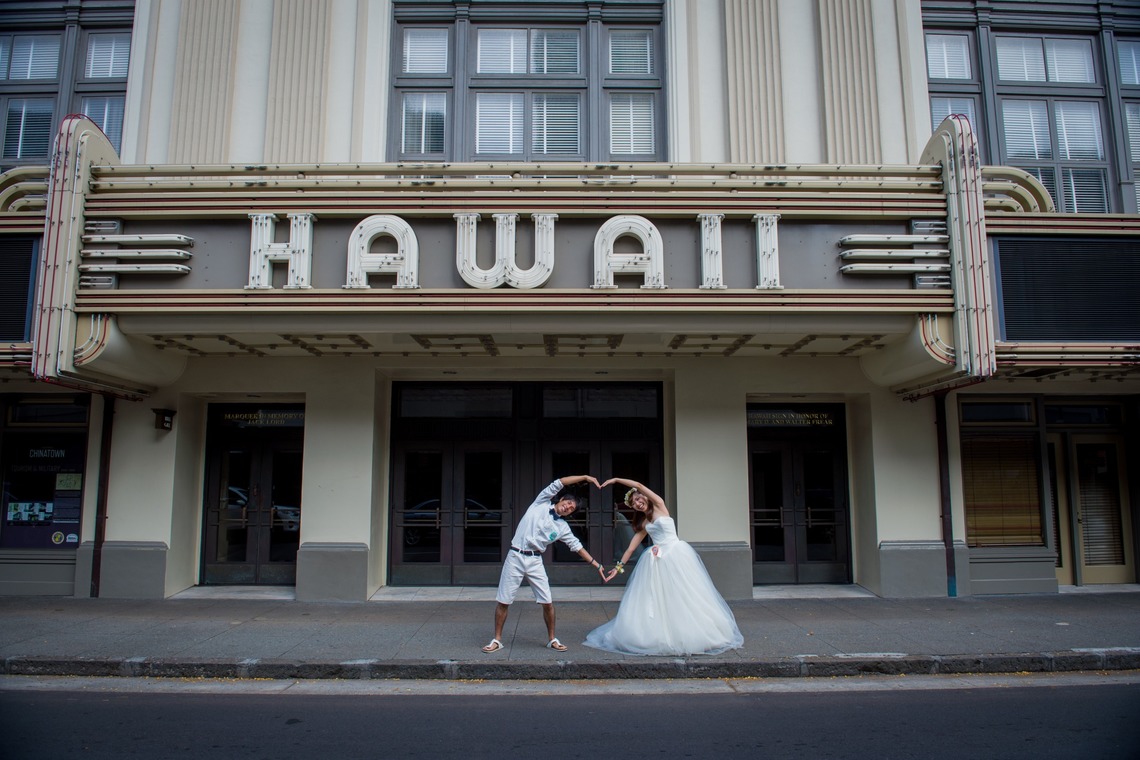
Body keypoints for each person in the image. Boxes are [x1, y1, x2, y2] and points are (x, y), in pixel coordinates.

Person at [583, 477, 744, 656]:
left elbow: (639, 484)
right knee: (658, 598)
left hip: (676, 555)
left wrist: (616, 480)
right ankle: (660, 634)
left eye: (638, 499)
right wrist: (618, 568)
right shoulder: (644, 523)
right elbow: (631, 547)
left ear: (644, 497)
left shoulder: (660, 505)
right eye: (633, 503)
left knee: (686, 594)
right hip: (657, 562)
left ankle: (696, 633)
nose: (637, 503)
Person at [482, 475, 608, 653]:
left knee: (547, 602)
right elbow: (560, 482)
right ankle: (497, 640)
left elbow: (577, 547)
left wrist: (597, 565)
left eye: (571, 509)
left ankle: (552, 639)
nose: (567, 508)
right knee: (504, 600)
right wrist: (585, 477)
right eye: (568, 503)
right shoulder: (540, 503)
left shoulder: (562, 527)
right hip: (515, 555)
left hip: (535, 560)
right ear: (562, 499)